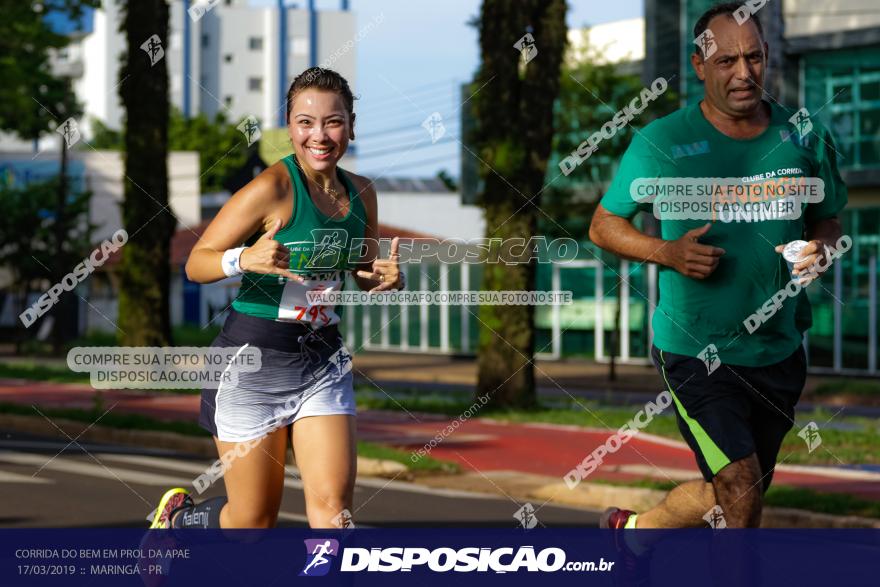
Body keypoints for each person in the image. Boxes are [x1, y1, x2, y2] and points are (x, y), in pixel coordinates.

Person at [589, 0, 846, 545]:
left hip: (778, 348)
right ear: (699, 65)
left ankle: (632, 533)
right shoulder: (660, 142)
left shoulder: (803, 134)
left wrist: (821, 249)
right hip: (695, 348)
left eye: (753, 57)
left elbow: (829, 218)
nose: (743, 73)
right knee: (740, 485)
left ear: (768, 57)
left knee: (733, 495)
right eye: (727, 61)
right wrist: (666, 252)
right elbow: (603, 225)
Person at [145, 67, 403, 532]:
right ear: (289, 127)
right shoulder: (273, 188)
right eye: (305, 122)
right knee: (251, 522)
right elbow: (196, 262)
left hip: (322, 361)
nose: (319, 135)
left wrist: (380, 277)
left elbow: (361, 273)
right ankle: (179, 522)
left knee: (334, 516)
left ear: (351, 125)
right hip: (252, 361)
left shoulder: (363, 191)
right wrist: (243, 258)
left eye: (333, 121)